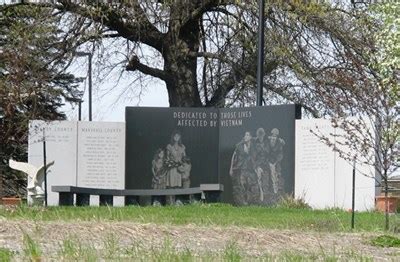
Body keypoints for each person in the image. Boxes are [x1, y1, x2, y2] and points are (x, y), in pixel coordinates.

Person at [229, 131, 258, 205]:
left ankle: (250, 201)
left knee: (250, 185)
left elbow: (255, 157)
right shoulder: (239, 145)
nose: (246, 136)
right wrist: (231, 168)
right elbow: (234, 156)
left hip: (251, 169)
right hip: (242, 169)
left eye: (248, 135)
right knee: (242, 184)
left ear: (250, 137)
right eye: (245, 135)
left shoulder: (253, 146)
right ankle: (243, 201)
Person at [252, 127, 269, 203]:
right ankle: (261, 195)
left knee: (266, 180)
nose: (260, 136)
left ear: (264, 135)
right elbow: (253, 156)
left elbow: (268, 153)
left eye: (262, 134)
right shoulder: (254, 143)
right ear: (257, 135)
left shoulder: (266, 142)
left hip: (265, 164)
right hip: (258, 165)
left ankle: (265, 197)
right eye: (259, 134)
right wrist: (256, 166)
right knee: (259, 180)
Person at [267, 128, 285, 195]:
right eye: (273, 135)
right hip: (267, 161)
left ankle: (276, 190)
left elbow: (280, 154)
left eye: (275, 136)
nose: (274, 137)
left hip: (276, 162)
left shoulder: (279, 143)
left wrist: (276, 161)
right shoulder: (267, 140)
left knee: (276, 176)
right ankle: (270, 190)